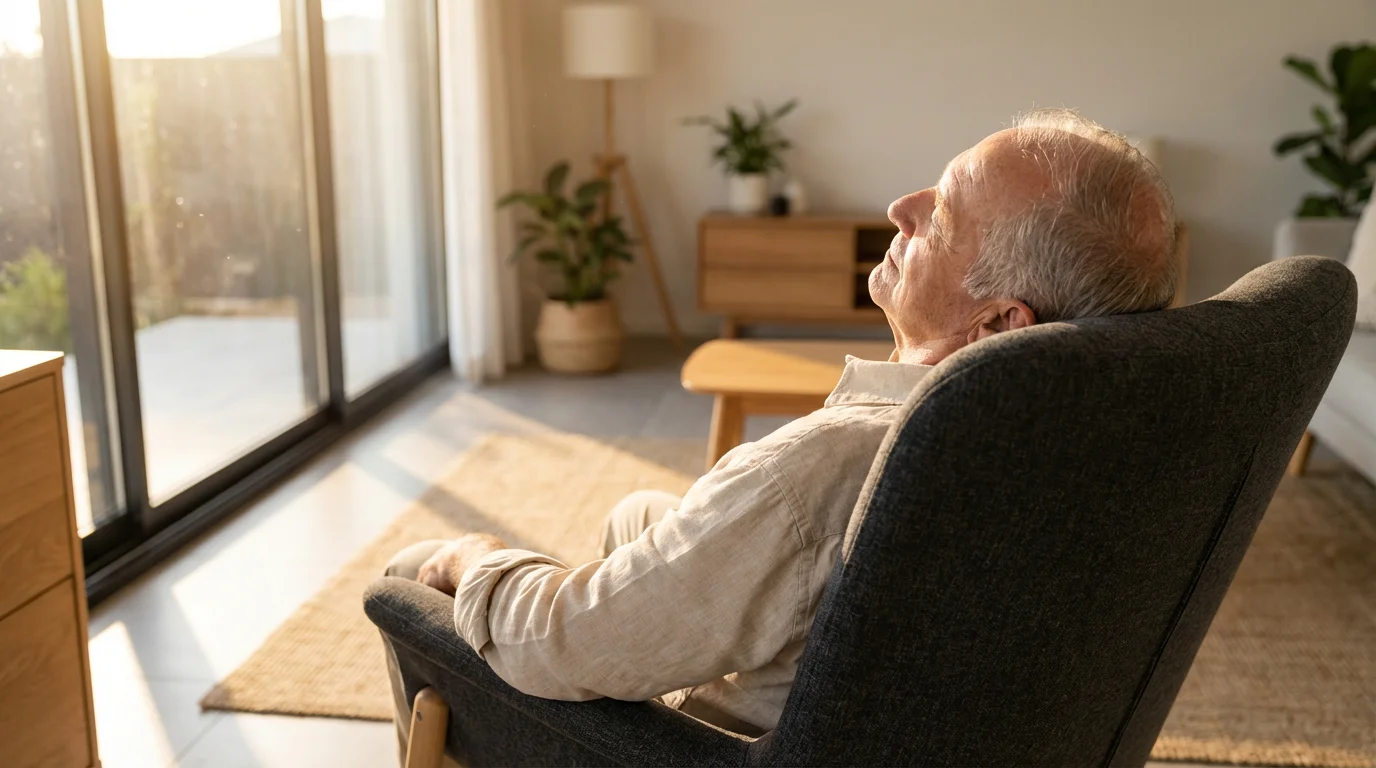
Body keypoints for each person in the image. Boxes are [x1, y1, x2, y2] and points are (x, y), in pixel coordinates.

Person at [382, 108, 1178, 740]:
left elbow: (557, 642)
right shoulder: (1081, 426)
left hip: (734, 747)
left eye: (942, 213)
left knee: (419, 567)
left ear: (999, 324)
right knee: (634, 516)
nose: (900, 208)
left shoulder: (824, 470)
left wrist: (476, 554)